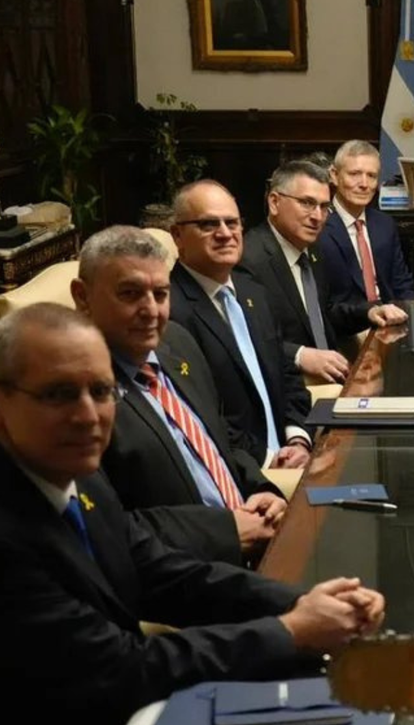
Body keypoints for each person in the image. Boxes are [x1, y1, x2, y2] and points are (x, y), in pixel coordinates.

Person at [0, 303, 384, 725]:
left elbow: (159, 571)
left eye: (101, 391)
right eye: (60, 394)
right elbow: (120, 670)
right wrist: (291, 631)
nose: (89, 416)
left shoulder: (71, 472)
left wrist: (300, 600)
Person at [72, 226, 286, 566]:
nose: (151, 311)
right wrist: (224, 533)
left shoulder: (177, 342)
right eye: (130, 294)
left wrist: (261, 489)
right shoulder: (74, 396)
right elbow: (104, 525)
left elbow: (221, 440)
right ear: (82, 297)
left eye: (160, 294)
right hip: (188, 573)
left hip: (258, 544)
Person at [168, 180, 314, 469]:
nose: (225, 234)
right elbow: (199, 412)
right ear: (177, 235)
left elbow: (286, 373)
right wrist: (269, 458)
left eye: (232, 223)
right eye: (209, 224)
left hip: (290, 454)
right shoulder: (169, 311)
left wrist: (297, 437)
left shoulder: (253, 292)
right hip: (240, 471)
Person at [240, 159, 408, 383]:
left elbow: (324, 314)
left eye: (324, 207)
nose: (317, 217)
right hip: (287, 383)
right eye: (307, 203)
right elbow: (245, 339)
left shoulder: (313, 250)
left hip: (333, 375)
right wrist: (300, 356)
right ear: (274, 202)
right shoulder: (249, 258)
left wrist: (368, 312)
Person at [318, 140, 414, 305]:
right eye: (354, 174)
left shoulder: (385, 224)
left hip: (390, 320)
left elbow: (402, 285)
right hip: (345, 325)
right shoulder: (318, 224)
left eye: (371, 176)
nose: (364, 184)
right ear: (334, 176)